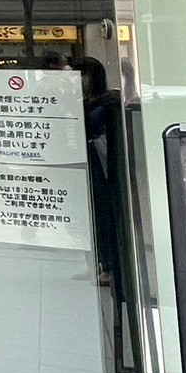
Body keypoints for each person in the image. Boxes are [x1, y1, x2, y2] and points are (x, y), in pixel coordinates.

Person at [74, 56, 121, 287]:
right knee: (89, 215)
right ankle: (97, 263)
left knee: (103, 215)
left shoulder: (105, 102)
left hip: (101, 165)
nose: (79, 80)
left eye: (82, 75)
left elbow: (89, 126)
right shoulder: (88, 101)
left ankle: (109, 267)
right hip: (89, 162)